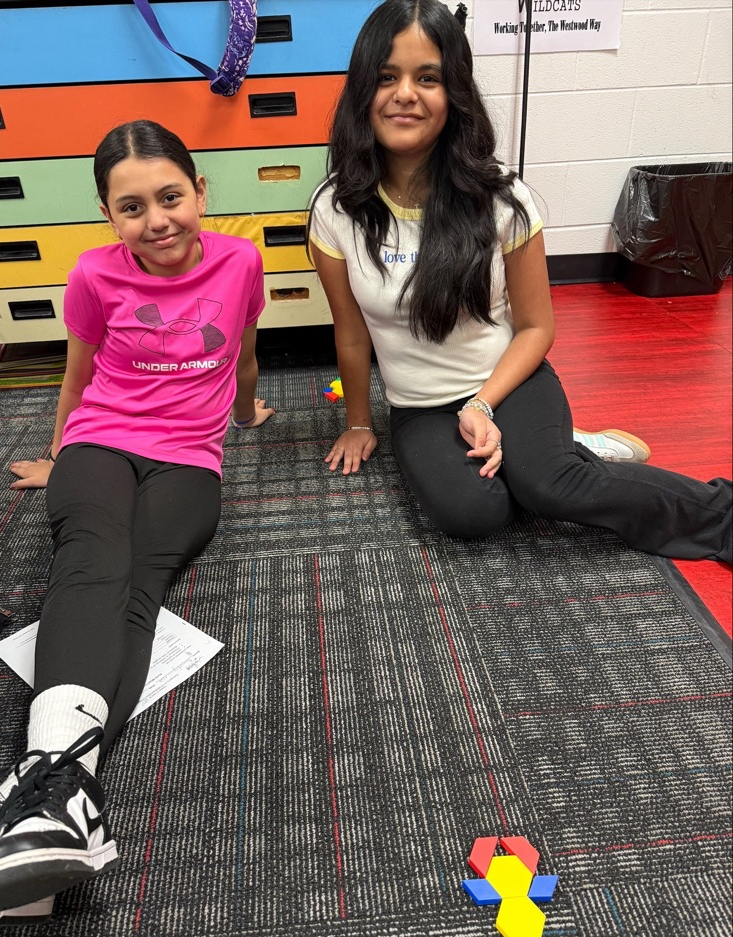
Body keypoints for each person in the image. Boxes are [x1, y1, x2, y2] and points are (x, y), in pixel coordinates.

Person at [308, 0, 731, 562]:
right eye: (387, 77)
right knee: (472, 514)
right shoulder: (334, 210)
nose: (405, 93)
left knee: (550, 486)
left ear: (454, 93)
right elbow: (352, 332)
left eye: (427, 77)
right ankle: (561, 448)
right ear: (363, 90)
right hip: (419, 406)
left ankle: (718, 517)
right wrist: (359, 420)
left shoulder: (504, 199)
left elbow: (536, 327)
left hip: (509, 381)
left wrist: (482, 406)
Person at [0, 120, 274, 923]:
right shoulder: (92, 276)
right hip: (102, 442)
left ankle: (41, 808)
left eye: (171, 196)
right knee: (90, 566)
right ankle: (55, 805)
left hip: (190, 459)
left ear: (201, 191)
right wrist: (59, 458)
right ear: (109, 216)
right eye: (132, 206)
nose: (158, 220)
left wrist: (246, 412)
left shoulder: (241, 260)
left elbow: (244, 351)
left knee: (141, 586)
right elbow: (77, 379)